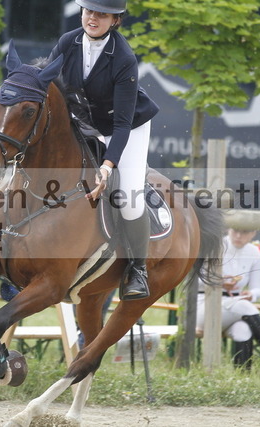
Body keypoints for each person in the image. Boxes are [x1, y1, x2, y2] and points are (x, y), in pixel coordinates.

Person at [48, 0, 159, 300]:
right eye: (89, 11)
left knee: (127, 197)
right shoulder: (68, 42)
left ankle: (138, 270)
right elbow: (45, 82)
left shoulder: (124, 57)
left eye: (102, 14)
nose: (92, 18)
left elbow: (122, 124)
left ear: (115, 20)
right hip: (86, 122)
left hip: (126, 128)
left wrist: (108, 167)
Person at [196, 228, 260, 373]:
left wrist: (251, 295)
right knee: (244, 306)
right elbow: (194, 280)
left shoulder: (254, 252)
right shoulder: (214, 246)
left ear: (253, 233)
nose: (239, 236)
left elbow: (257, 288)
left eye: (245, 232)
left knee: (243, 329)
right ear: (229, 229)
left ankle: (242, 376)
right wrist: (219, 283)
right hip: (204, 305)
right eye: (235, 231)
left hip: (234, 307)